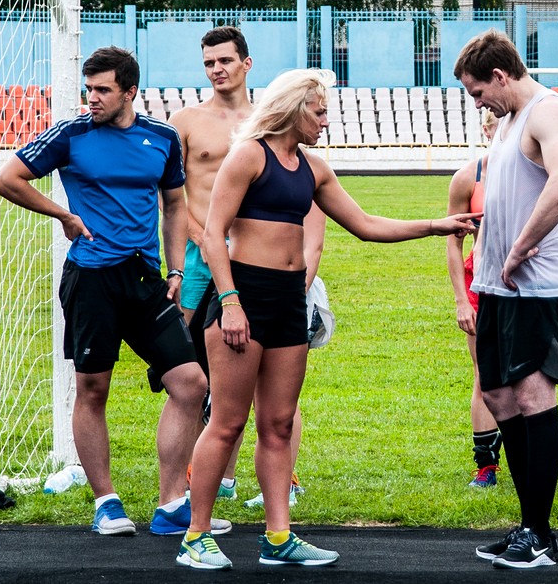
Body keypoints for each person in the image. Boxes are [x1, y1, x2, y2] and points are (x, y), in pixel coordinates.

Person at [178, 68, 477, 570]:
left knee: (276, 425)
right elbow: (212, 235)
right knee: (227, 423)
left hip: (290, 303)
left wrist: (436, 225)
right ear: (294, 109)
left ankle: (278, 538)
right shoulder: (249, 155)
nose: (326, 120)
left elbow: (364, 225)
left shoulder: (314, 169)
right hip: (242, 298)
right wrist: (229, 302)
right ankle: (195, 536)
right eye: (319, 111)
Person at [0, 46, 228, 538]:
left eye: (102, 90)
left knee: (190, 385)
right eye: (88, 89)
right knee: (92, 388)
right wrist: (62, 215)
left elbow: (174, 203)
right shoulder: (71, 134)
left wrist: (178, 270)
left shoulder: (160, 138)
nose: (92, 98)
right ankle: (107, 502)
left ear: (130, 91)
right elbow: (6, 179)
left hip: (146, 280)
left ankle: (171, 505)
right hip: (91, 278)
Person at [454, 29, 558, 569]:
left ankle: (541, 536)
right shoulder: (506, 123)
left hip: (533, 284)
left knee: (533, 399)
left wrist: (520, 247)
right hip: (496, 286)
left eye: (478, 92)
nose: (477, 103)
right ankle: (528, 526)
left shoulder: (547, 114)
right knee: (501, 399)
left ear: (500, 77)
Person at [169, 26, 310, 508]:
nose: (216, 70)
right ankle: (181, 491)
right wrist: (204, 240)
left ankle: (268, 484)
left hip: (263, 261)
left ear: (247, 64)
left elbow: (305, 199)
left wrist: (303, 270)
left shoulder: (269, 124)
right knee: (189, 375)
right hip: (201, 255)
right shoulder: (186, 120)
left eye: (225, 60)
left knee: (274, 380)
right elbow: (169, 195)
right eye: (209, 63)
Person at [446, 111, 503, 488]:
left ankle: (528, 457)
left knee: (526, 378)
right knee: (484, 374)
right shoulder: (468, 177)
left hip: (523, 284)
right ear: (485, 129)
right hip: (478, 283)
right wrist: (460, 300)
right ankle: (486, 466)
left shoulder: (536, 170)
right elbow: (453, 241)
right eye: (497, 124)